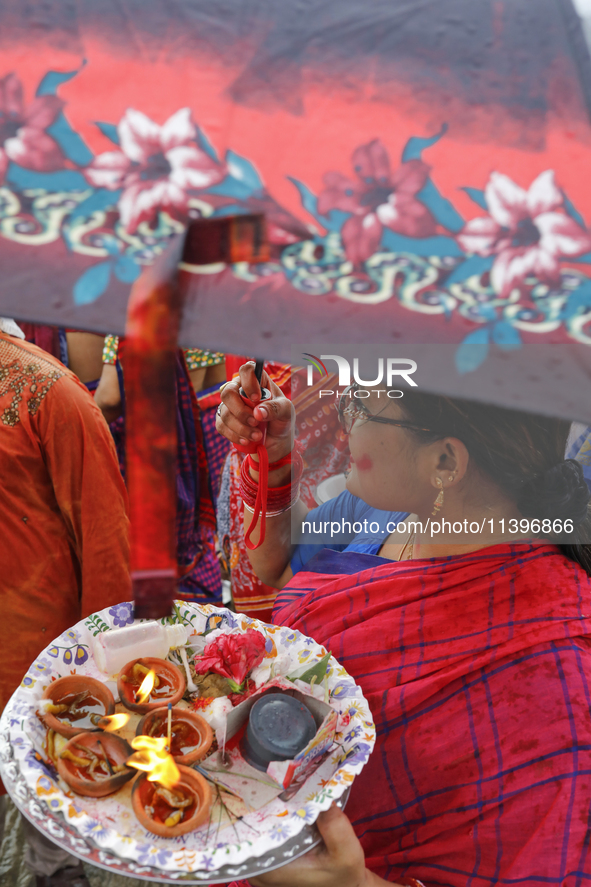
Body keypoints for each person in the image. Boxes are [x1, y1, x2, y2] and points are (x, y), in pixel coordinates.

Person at [217, 363, 591, 886]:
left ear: (444, 461)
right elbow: (279, 563)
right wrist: (275, 455)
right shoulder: (388, 509)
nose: (345, 424)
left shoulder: (553, 680)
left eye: (360, 408)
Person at [0, 319, 130, 886]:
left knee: (51, 838)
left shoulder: (49, 392)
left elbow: (107, 549)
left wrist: (103, 681)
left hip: (34, 677)